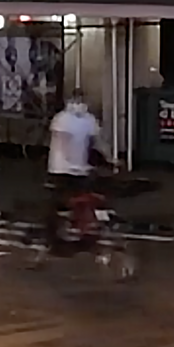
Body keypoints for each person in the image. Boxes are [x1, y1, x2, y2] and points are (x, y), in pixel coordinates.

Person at [44, 90, 101, 239]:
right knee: (63, 199)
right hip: (62, 168)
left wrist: (109, 158)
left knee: (78, 199)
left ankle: (73, 226)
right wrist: (71, 160)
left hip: (77, 168)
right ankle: (55, 230)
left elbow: (97, 140)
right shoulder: (62, 119)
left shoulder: (88, 119)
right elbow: (62, 140)